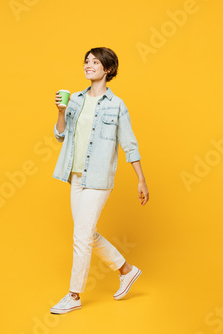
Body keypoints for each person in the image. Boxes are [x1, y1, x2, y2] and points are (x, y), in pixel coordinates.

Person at [50, 47, 149, 314]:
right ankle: (126, 271)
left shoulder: (117, 105)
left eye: (95, 62)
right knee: (87, 233)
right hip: (76, 176)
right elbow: (60, 136)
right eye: (86, 61)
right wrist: (61, 111)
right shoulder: (75, 100)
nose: (88, 65)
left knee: (81, 236)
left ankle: (74, 295)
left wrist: (141, 179)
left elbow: (129, 144)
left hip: (98, 178)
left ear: (107, 70)